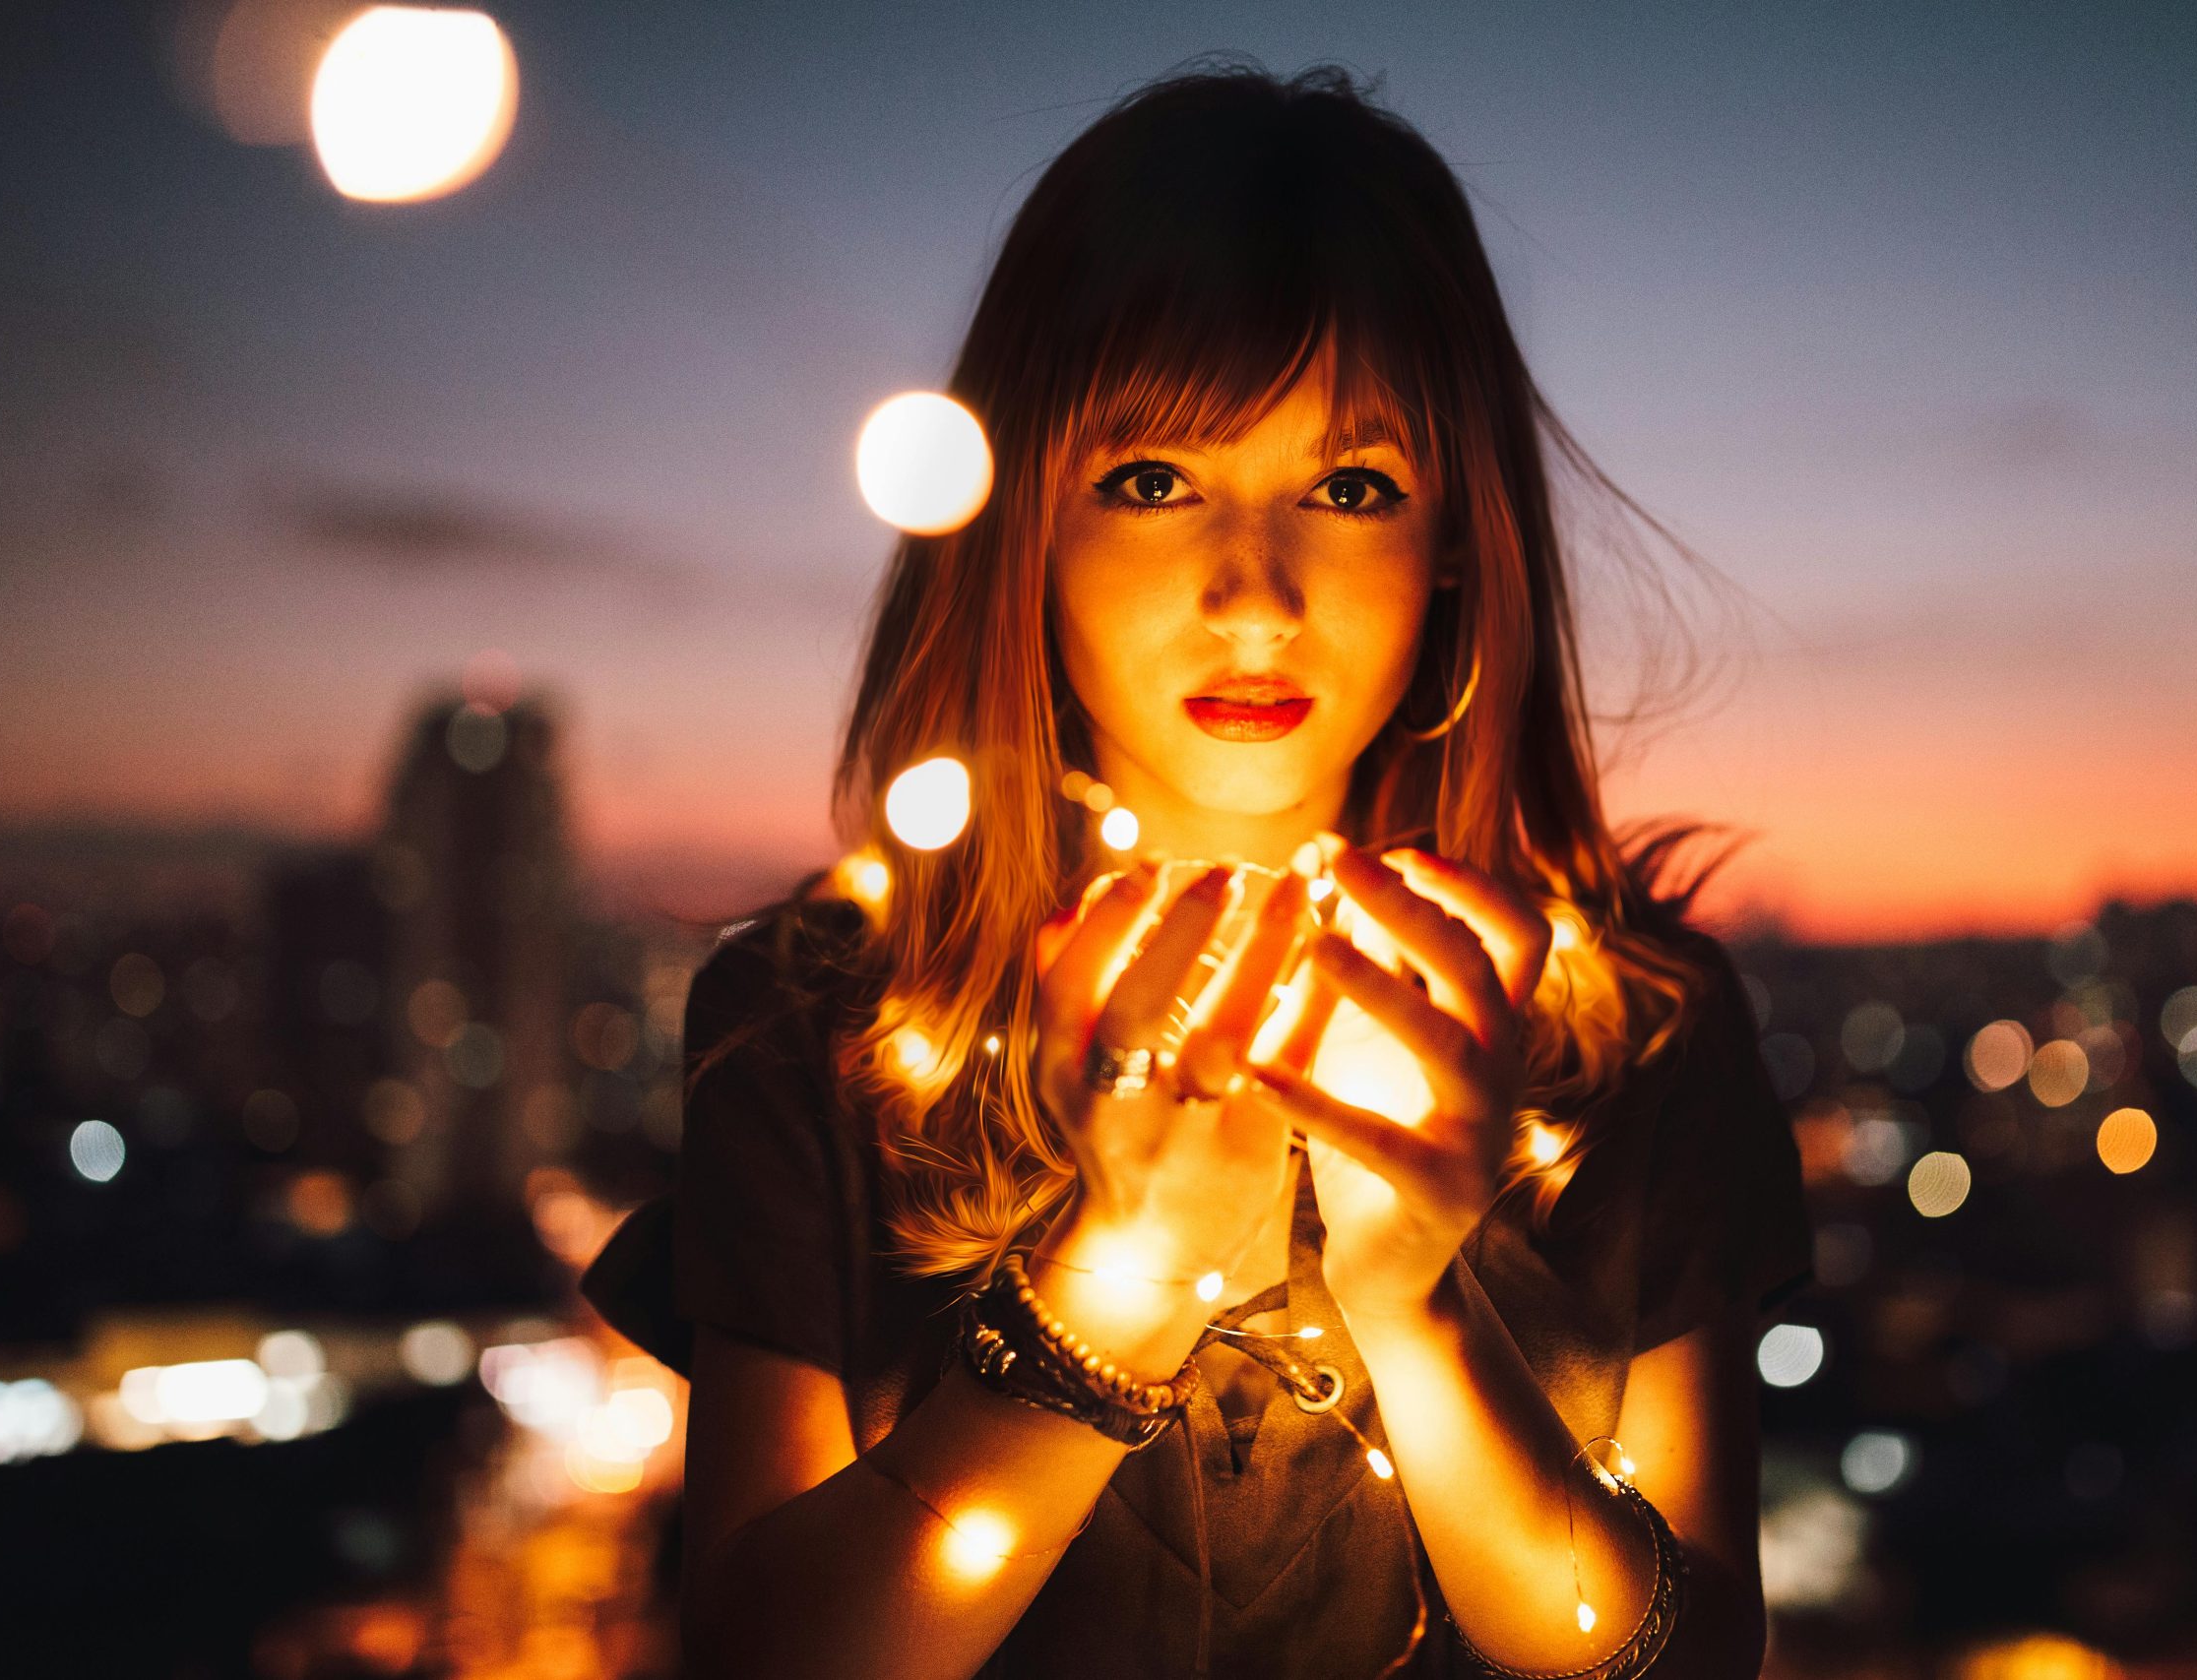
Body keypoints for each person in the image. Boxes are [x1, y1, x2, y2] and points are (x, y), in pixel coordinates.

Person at [583, 61, 1811, 1680]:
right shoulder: (826, 1025)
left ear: (1457, 536)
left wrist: (1417, 1310)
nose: (1254, 599)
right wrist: (1118, 1283)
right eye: (1152, 480)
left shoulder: (1633, 1035)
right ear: (1025, 521)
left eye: (1349, 487)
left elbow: (1696, 1659)